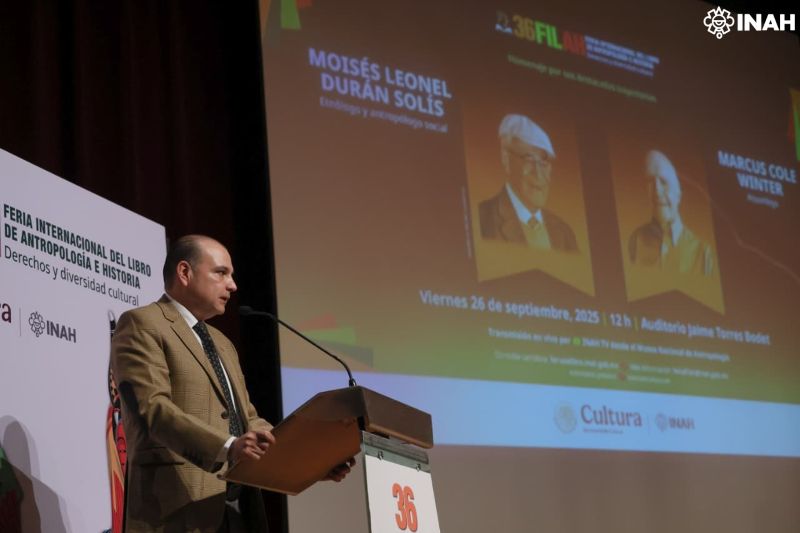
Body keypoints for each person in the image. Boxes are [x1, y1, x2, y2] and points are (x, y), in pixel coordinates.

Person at [111, 235, 352, 532]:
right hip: (177, 508)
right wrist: (229, 447)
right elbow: (153, 410)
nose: (233, 285)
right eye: (221, 273)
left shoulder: (223, 344)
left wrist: (310, 464)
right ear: (184, 272)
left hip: (239, 511)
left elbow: (248, 420)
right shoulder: (143, 323)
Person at [479, 113, 578, 252]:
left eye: (544, 163)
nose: (538, 174)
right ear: (506, 160)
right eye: (529, 160)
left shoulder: (564, 232)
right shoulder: (483, 220)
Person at [628, 150, 714, 276]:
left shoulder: (702, 253)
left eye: (663, 182)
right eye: (650, 181)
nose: (657, 191)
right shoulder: (636, 240)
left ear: (679, 192)